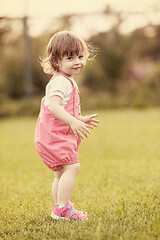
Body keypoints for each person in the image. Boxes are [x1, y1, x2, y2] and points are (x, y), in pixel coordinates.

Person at [35, 30, 99, 221]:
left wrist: (79, 117)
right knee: (72, 168)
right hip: (55, 136)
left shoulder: (66, 80)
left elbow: (63, 108)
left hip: (51, 135)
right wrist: (72, 121)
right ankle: (63, 208)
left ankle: (59, 209)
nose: (77, 61)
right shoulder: (61, 82)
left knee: (61, 172)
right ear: (56, 61)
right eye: (70, 57)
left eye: (80, 56)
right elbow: (52, 105)